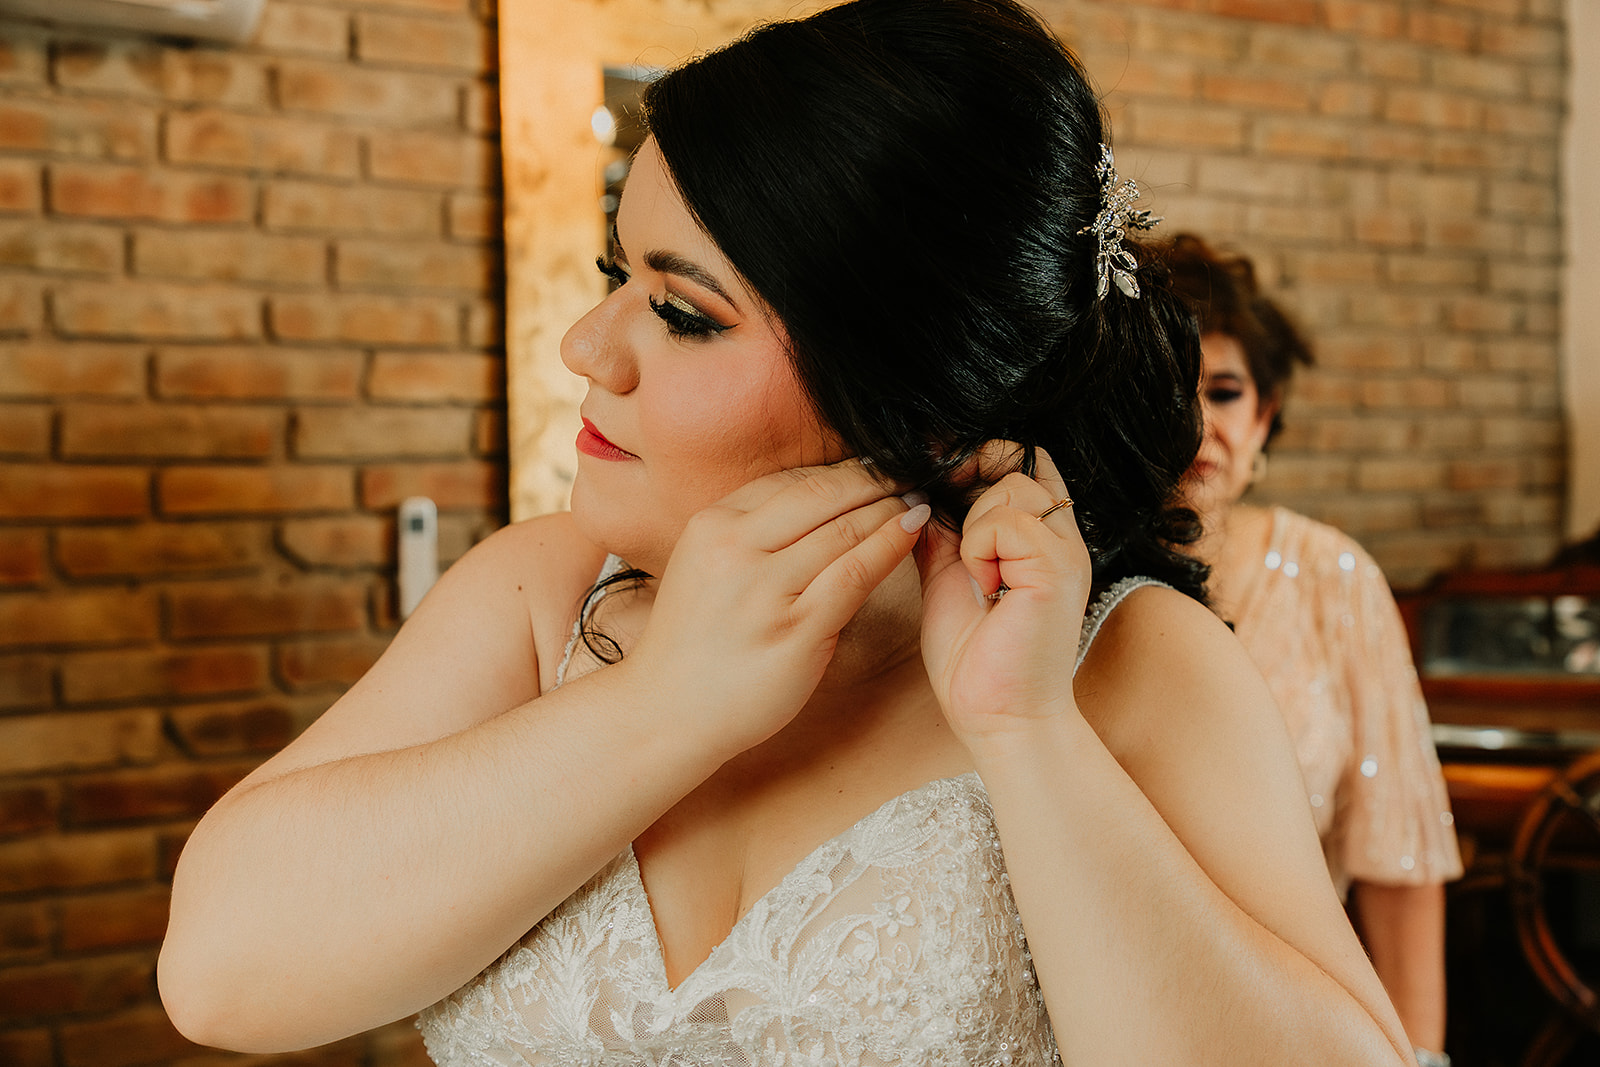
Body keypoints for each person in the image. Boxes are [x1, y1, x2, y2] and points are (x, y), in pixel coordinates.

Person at [157, 3, 1418, 1063]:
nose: (588, 348)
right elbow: (218, 976)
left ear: (917, 396)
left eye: (682, 313)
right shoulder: (539, 596)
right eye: (614, 277)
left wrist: (1023, 730)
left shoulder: (1127, 664)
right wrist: (667, 701)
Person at [1166, 232, 1464, 1067]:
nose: (1200, 423)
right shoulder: (1066, 578)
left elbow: (1399, 861)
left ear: (1264, 416)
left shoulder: (1334, 577)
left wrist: (1420, 1057)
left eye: (1225, 392)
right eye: (1169, 389)